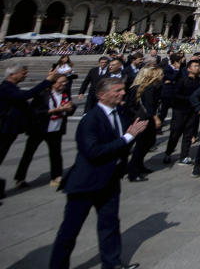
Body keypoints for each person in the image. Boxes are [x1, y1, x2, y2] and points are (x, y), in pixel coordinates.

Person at [49, 77, 147, 269]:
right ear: (102, 95)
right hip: (85, 183)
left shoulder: (120, 112)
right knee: (69, 232)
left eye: (123, 89)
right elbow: (93, 152)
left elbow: (124, 140)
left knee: (109, 226)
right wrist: (128, 137)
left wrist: (130, 137)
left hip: (109, 181)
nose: (122, 93)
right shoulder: (90, 119)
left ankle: (112, 264)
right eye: (117, 90)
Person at [0, 64, 58, 198]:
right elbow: (26, 95)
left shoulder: (11, 88)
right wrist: (47, 81)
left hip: (9, 130)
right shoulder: (6, 88)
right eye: (23, 73)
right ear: (12, 75)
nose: (25, 75)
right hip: (4, 130)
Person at [13, 73, 75, 187]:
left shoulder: (65, 95)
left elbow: (70, 109)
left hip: (56, 128)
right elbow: (34, 112)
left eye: (65, 82)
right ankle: (20, 178)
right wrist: (54, 110)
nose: (64, 84)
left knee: (56, 154)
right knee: (28, 153)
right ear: (53, 83)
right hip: (39, 128)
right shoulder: (42, 94)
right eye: (61, 82)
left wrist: (70, 108)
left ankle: (56, 176)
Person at [126, 66, 163, 182]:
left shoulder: (149, 87)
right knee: (141, 145)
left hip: (142, 118)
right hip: (144, 119)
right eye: (160, 74)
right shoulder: (148, 88)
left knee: (148, 142)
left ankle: (139, 165)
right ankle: (133, 171)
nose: (162, 76)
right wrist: (156, 118)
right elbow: (149, 106)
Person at [163, 59, 200, 164]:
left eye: (198, 66)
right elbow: (175, 95)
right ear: (189, 68)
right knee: (175, 134)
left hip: (192, 112)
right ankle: (168, 153)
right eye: (194, 66)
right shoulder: (182, 80)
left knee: (188, 134)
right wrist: (189, 98)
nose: (197, 68)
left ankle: (184, 156)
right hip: (180, 111)